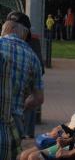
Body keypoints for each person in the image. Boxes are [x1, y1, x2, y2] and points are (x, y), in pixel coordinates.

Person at [0, 14, 44, 151]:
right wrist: (20, 105)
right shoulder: (33, 57)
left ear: (6, 27)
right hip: (14, 123)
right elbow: (39, 98)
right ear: (24, 33)